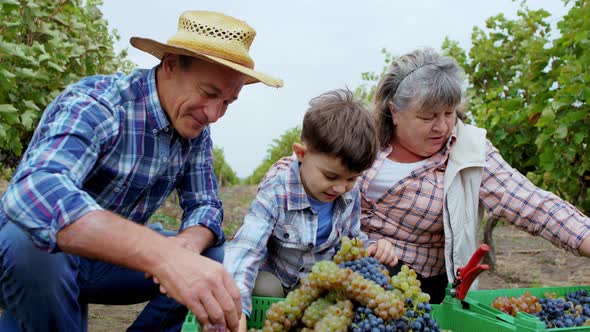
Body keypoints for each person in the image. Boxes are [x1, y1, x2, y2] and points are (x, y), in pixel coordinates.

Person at [0, 10, 282, 332]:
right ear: (172, 64)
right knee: (28, 245)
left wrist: (188, 244)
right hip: (41, 256)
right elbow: (35, 191)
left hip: (107, 265)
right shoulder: (101, 103)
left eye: (227, 102)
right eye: (209, 93)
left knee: (213, 259)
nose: (214, 114)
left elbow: (205, 205)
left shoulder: (195, 131)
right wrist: (162, 255)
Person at [358, 47, 590, 304]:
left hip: (420, 291)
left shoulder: (468, 152)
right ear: (394, 111)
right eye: (427, 117)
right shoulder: (364, 140)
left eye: (449, 113)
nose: (442, 126)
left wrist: (584, 236)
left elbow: (533, 205)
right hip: (348, 271)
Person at [224, 89, 398, 332]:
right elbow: (245, 249)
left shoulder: (349, 195)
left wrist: (373, 247)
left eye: (352, 179)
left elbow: (351, 242)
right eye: (331, 176)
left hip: (319, 287)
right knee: (264, 288)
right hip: (279, 282)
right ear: (301, 154)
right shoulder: (276, 193)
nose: (340, 187)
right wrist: (235, 312)